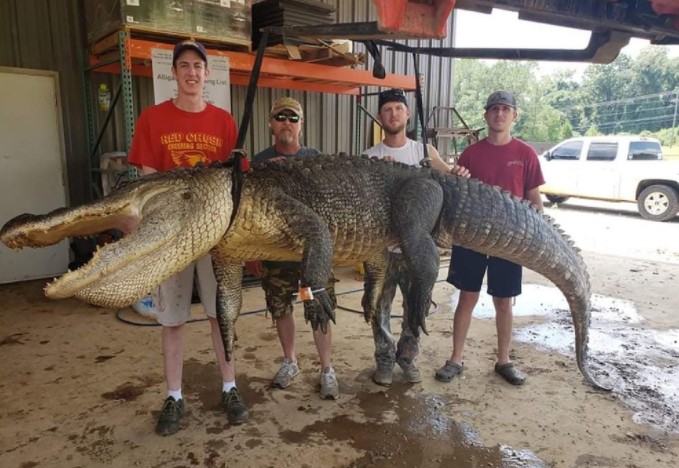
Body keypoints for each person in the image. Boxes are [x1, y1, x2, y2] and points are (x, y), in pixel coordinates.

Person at [127, 39, 250, 436]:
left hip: (215, 237)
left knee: (221, 315)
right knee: (173, 318)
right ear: (174, 73)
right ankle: (174, 395)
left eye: (198, 66)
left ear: (206, 73)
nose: (192, 72)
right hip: (174, 235)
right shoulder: (152, 118)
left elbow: (239, 177)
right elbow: (147, 177)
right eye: (184, 66)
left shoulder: (225, 123)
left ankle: (229, 387)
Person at [435, 90, 545, 386]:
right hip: (471, 238)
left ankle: (504, 360)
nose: (499, 113)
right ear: (485, 115)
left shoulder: (525, 154)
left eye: (505, 109)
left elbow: (534, 199)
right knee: (466, 298)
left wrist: (535, 234)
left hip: (509, 242)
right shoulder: (471, 153)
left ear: (514, 115)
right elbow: (456, 193)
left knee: (503, 302)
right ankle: (456, 359)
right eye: (494, 109)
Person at [363, 88, 469, 387]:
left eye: (398, 108)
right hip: (382, 251)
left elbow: (450, 184)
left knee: (416, 306)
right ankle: (384, 360)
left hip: (418, 250)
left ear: (407, 114)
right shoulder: (368, 158)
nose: (393, 114)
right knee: (379, 309)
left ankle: (407, 358)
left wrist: (458, 172)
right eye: (387, 110)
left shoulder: (425, 153)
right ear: (380, 117)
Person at [246, 97, 340, 400]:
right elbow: (250, 212)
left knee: (317, 305)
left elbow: (331, 204)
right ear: (271, 123)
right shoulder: (258, 162)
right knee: (281, 307)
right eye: (280, 116)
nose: (287, 122)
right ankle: (290, 360)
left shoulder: (317, 160)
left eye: (293, 117)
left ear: (301, 124)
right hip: (275, 252)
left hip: (310, 255)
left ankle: (326, 368)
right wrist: (252, 251)